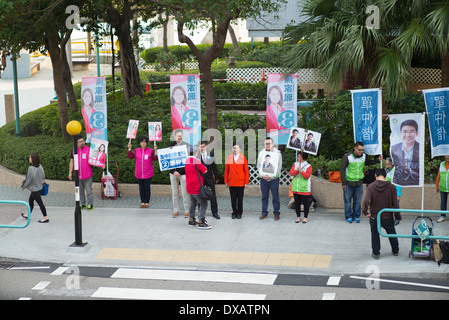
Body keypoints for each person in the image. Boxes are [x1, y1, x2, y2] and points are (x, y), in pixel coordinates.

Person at [362, 169, 400, 259]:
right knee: (392, 233)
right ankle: (395, 250)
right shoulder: (392, 187)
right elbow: (395, 204)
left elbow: (366, 201)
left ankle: (376, 253)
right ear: (385, 176)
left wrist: (365, 212)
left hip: (375, 216)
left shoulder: (371, 186)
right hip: (388, 216)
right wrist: (398, 216)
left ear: (375, 175)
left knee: (375, 234)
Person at [340, 141, 382, 223]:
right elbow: (342, 169)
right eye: (359, 150)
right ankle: (348, 216)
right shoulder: (347, 157)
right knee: (347, 201)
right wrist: (343, 183)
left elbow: (368, 163)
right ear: (355, 148)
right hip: (349, 183)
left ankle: (356, 216)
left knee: (358, 201)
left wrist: (378, 160)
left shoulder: (363, 156)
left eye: (362, 150)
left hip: (359, 183)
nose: (361, 152)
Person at [185, 146, 212, 229]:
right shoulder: (196, 161)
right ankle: (201, 222)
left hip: (189, 186)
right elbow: (205, 170)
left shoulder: (186, 161)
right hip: (197, 186)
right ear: (196, 153)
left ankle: (191, 219)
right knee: (204, 203)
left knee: (193, 203)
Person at [127, 136, 158, 208]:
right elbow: (130, 156)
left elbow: (155, 159)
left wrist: (155, 151)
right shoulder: (136, 150)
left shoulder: (150, 150)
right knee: (141, 188)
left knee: (147, 188)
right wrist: (129, 149)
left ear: (147, 143)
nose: (143, 143)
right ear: (140, 143)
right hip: (139, 173)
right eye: (142, 142)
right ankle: (142, 201)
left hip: (148, 173)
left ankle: (147, 202)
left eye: (145, 142)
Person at [257, 137, 282, 221]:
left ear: (273, 144)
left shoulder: (277, 153)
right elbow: (258, 165)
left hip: (274, 179)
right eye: (266, 144)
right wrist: (262, 175)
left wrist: (271, 176)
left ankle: (276, 212)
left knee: (275, 196)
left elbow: (279, 166)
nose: (267, 145)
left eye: (269, 143)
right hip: (263, 179)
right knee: (264, 196)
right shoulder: (261, 153)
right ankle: (264, 212)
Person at [390, 119, 420, 186]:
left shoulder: (420, 148)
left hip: (415, 182)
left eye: (411, 131)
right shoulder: (394, 148)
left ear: (417, 133)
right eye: (405, 132)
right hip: (398, 181)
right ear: (401, 133)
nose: (408, 135)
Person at [20, 153, 48, 223]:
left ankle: (45, 217)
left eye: (30, 157)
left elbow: (28, 180)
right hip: (39, 187)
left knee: (40, 203)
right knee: (30, 200)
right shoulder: (40, 166)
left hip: (35, 189)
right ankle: (28, 214)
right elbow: (43, 176)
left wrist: (23, 186)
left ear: (33, 159)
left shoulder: (31, 168)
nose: (29, 159)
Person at [69, 135, 94, 211]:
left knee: (89, 190)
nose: (83, 143)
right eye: (80, 141)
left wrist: (101, 164)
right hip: (78, 176)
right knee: (80, 191)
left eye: (83, 141)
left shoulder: (88, 149)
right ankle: (82, 203)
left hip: (87, 175)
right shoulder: (74, 150)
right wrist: (70, 172)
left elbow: (95, 159)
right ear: (76, 143)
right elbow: (71, 162)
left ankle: (90, 204)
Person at [224, 143, 249, 219]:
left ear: (240, 149)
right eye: (234, 148)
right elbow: (226, 170)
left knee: (240, 199)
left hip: (240, 181)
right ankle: (234, 212)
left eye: (237, 148)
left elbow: (246, 171)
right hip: (232, 181)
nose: (235, 150)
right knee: (233, 199)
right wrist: (226, 181)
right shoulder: (229, 158)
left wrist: (246, 182)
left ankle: (239, 212)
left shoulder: (243, 158)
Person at [169, 129, 190, 217]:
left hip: (184, 173)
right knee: (174, 192)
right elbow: (168, 161)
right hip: (173, 172)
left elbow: (187, 161)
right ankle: (176, 210)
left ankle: (187, 210)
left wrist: (180, 172)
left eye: (181, 135)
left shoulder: (187, 146)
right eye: (178, 135)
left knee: (185, 192)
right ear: (174, 136)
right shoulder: (171, 146)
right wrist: (174, 171)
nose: (179, 137)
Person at [198, 140, 220, 219]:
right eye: (200, 147)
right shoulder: (197, 155)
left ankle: (215, 212)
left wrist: (216, 177)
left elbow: (214, 166)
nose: (201, 148)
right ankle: (200, 213)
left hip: (210, 178)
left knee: (212, 195)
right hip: (201, 179)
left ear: (206, 146)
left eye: (203, 146)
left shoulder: (211, 154)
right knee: (200, 196)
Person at [289, 152, 312, 223]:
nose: (298, 158)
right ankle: (298, 217)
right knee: (297, 203)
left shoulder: (308, 166)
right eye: (298, 157)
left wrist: (301, 171)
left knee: (305, 203)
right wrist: (296, 170)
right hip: (296, 187)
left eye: (299, 157)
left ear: (303, 157)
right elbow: (291, 173)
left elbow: (307, 176)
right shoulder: (295, 164)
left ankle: (305, 217)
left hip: (304, 188)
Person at [385, 157, 402, 225]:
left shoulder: (396, 171)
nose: (385, 165)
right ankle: (389, 218)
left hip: (394, 192)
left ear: (391, 164)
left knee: (395, 206)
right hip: (387, 191)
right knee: (387, 205)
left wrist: (398, 194)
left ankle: (397, 218)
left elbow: (398, 184)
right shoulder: (386, 170)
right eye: (385, 163)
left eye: (387, 164)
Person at [436, 155, 449, 223]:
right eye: (446, 155)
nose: (448, 156)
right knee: (443, 202)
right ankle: (442, 216)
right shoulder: (442, 164)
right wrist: (437, 185)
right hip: (443, 187)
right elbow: (439, 175)